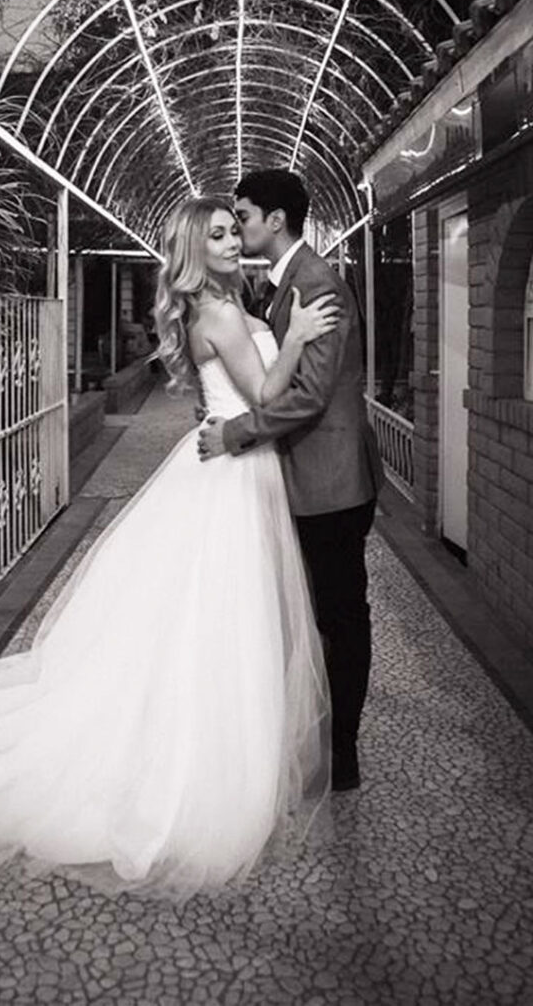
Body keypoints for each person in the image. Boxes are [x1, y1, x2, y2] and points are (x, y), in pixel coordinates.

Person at [0, 196, 339, 897]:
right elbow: (259, 397)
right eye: (218, 234)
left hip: (225, 469)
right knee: (213, 621)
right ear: (195, 248)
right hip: (230, 472)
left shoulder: (215, 307)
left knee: (200, 625)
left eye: (233, 230)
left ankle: (207, 752)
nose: (231, 241)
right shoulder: (220, 313)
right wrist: (295, 338)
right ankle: (200, 767)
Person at [197, 169, 384, 792]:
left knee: (340, 614)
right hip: (300, 479)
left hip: (331, 482)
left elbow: (308, 397)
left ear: (275, 220)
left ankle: (345, 754)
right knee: (310, 613)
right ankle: (308, 733)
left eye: (243, 216)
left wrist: (235, 432)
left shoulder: (316, 284)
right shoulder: (283, 286)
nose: (238, 227)